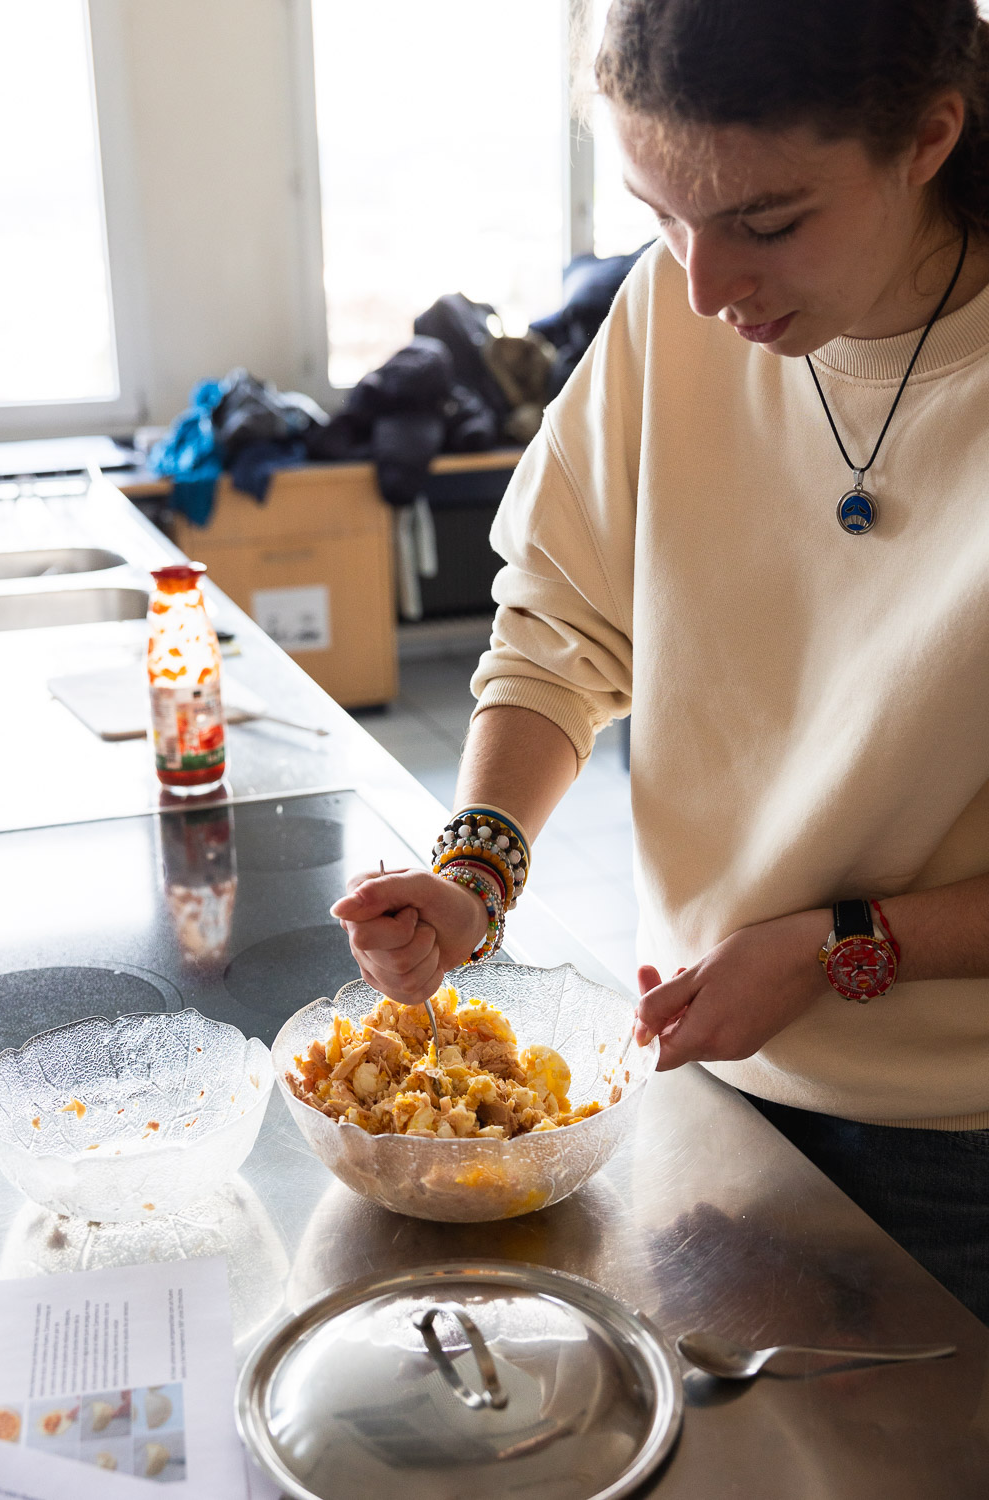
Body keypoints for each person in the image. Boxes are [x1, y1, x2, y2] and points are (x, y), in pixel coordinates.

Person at [331, 0, 989, 1323]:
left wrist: (836, 948)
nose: (702, 287)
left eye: (767, 221)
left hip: (958, 1145)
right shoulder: (676, 308)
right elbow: (561, 626)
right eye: (661, 216)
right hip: (699, 1072)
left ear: (928, 139)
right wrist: (475, 872)